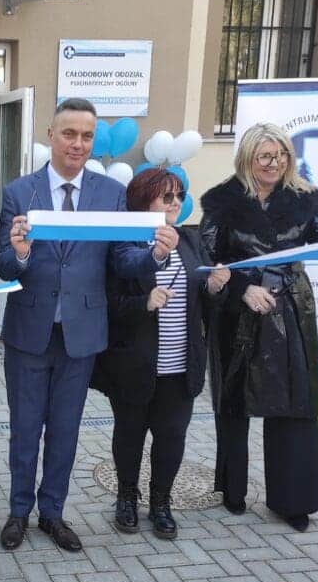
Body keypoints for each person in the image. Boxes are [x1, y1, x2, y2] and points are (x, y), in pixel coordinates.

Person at [0, 98, 176, 552]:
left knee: (65, 430)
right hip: (29, 333)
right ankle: (19, 512)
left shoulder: (109, 194)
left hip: (81, 334)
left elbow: (122, 259)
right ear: (51, 136)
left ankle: (52, 513)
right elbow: (3, 263)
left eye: (87, 136)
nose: (78, 143)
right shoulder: (19, 192)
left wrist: (155, 254)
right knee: (24, 430)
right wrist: (19, 253)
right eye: (69, 134)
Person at [200, 123, 318, 532]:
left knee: (294, 400)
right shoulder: (222, 202)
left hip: (290, 307)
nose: (275, 163)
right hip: (238, 312)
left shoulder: (305, 199)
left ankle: (292, 499)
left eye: (281, 154)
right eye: (265, 156)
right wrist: (242, 289)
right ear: (247, 158)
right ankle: (232, 488)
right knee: (233, 400)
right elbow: (208, 260)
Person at [91, 169, 230, 539]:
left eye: (179, 195)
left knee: (171, 437)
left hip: (181, 366)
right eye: (166, 196)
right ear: (143, 200)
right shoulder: (125, 242)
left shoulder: (191, 240)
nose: (175, 203)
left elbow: (207, 305)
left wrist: (216, 288)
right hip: (134, 364)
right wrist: (144, 303)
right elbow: (109, 304)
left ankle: (161, 502)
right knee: (129, 435)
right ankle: (126, 497)